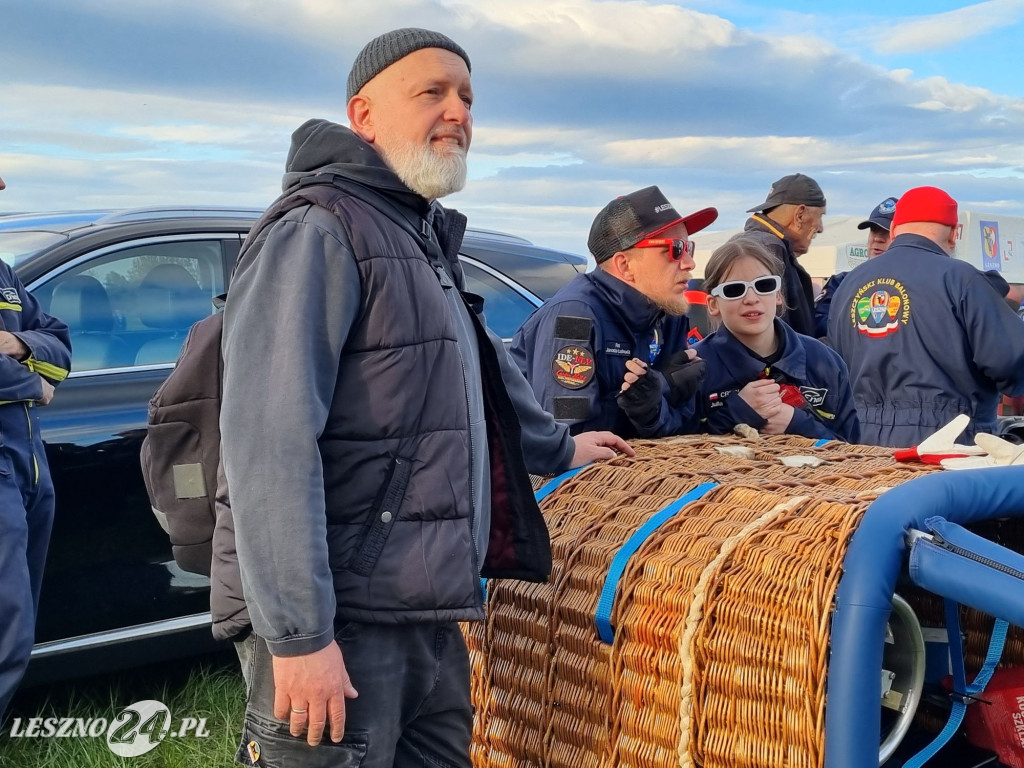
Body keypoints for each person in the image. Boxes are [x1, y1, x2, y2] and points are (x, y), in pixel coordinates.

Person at [219, 28, 633, 768]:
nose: (457, 111)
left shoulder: (415, 232)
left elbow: (476, 374)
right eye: (432, 92)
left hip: (429, 607)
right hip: (347, 617)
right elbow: (269, 446)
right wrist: (300, 637)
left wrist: (561, 447)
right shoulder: (319, 228)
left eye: (468, 97)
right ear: (364, 114)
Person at [510, 186, 715, 438]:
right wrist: (658, 392)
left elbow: (685, 425)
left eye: (689, 248)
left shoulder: (669, 313)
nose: (689, 263)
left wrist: (654, 406)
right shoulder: (574, 316)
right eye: (674, 249)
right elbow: (566, 435)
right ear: (625, 265)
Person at [827, 186, 1024, 447]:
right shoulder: (963, 279)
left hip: (863, 440)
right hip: (951, 439)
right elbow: (1011, 361)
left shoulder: (850, 284)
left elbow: (834, 362)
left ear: (895, 228)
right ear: (954, 234)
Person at [693, 238, 859, 442]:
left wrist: (799, 423)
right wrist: (738, 412)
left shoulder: (825, 363)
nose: (751, 298)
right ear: (713, 304)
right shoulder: (695, 369)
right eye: (734, 289)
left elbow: (854, 447)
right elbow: (673, 449)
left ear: (778, 294)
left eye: (764, 285)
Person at [0, 262, 70, 723]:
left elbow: (60, 346)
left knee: (16, 625)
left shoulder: (3, 272)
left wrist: (21, 343)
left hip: (28, 457)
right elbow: (46, 383)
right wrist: (33, 384)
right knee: (7, 622)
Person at [734, 173, 826, 337]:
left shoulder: (752, 244)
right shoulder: (769, 249)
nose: (820, 228)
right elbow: (775, 337)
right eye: (820, 216)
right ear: (800, 215)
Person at [813, 196, 898, 337]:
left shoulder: (912, 285)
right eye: (874, 231)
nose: (878, 238)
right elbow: (819, 324)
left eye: (886, 232)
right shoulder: (841, 282)